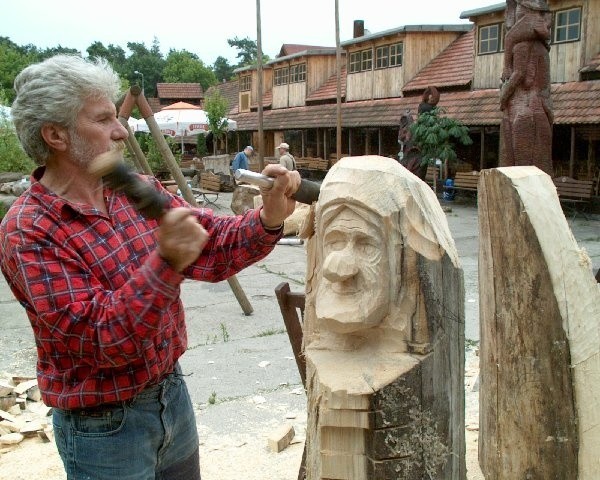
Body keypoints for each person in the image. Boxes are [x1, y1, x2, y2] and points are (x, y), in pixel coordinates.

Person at [0, 54, 300, 480]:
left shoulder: (130, 190)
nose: (120, 129)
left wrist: (267, 217)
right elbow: (103, 338)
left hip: (170, 395)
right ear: (55, 135)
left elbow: (210, 244)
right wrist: (166, 263)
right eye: (103, 119)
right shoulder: (28, 230)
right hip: (103, 430)